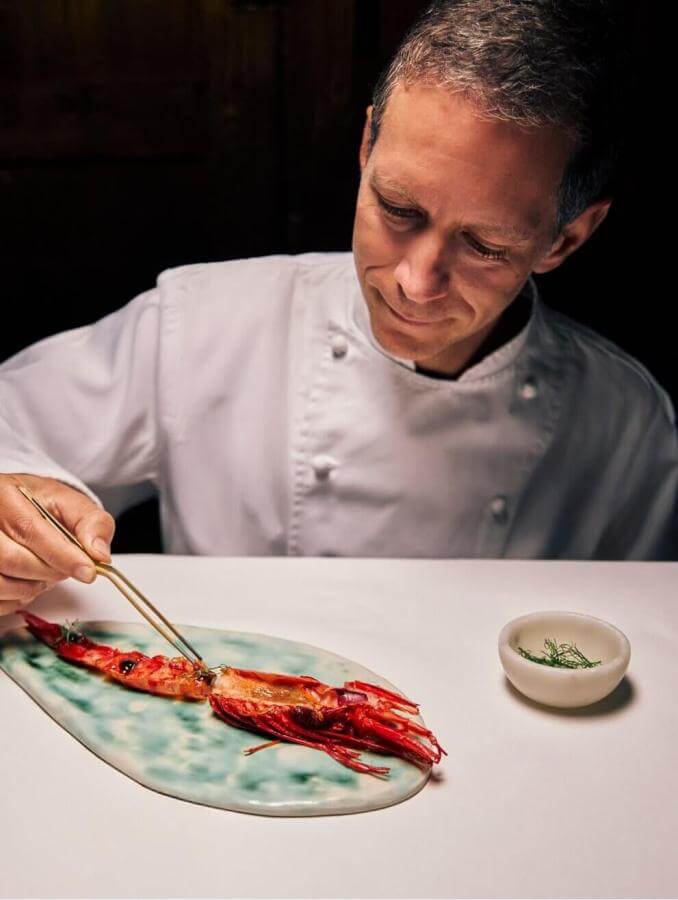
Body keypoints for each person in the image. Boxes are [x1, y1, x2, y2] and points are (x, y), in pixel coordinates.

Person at [0, 0, 675, 616]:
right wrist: (17, 511)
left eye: (484, 246)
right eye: (398, 209)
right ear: (366, 145)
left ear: (566, 238)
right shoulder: (199, 324)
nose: (416, 281)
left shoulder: (625, 421)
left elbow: (650, 638)